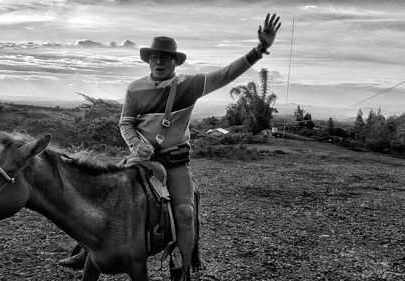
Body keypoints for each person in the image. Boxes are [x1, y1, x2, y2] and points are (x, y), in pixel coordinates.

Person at [59, 13, 281, 279]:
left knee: (186, 213)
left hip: (174, 163)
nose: (159, 61)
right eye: (155, 56)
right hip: (139, 160)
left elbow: (225, 74)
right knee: (102, 199)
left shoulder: (189, 85)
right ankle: (85, 251)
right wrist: (136, 144)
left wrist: (260, 49)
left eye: (165, 57)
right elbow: (126, 123)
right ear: (148, 59)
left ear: (174, 61)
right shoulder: (135, 89)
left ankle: (182, 270)